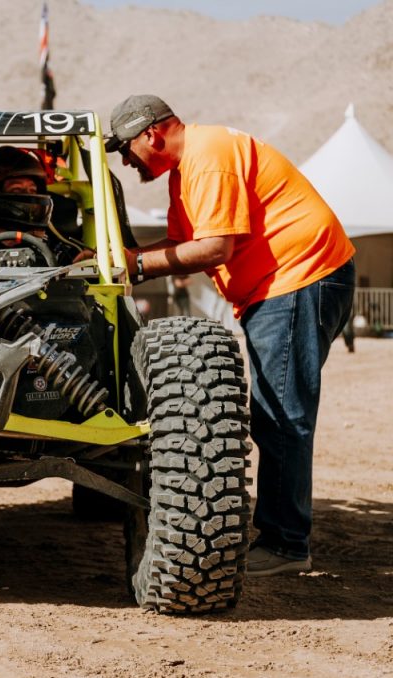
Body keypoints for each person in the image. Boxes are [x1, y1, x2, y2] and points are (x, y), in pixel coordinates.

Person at [102, 94, 356, 577]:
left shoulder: (208, 157)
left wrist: (129, 263)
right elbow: (182, 245)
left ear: (151, 133)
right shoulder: (188, 169)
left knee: (281, 413)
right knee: (276, 409)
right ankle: (284, 535)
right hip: (285, 284)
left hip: (298, 278)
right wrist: (127, 259)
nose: (125, 161)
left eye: (126, 149)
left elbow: (215, 248)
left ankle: (286, 544)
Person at [0, 146, 83, 266]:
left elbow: (82, 266)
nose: (28, 197)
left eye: (32, 190)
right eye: (16, 190)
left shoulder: (57, 240)